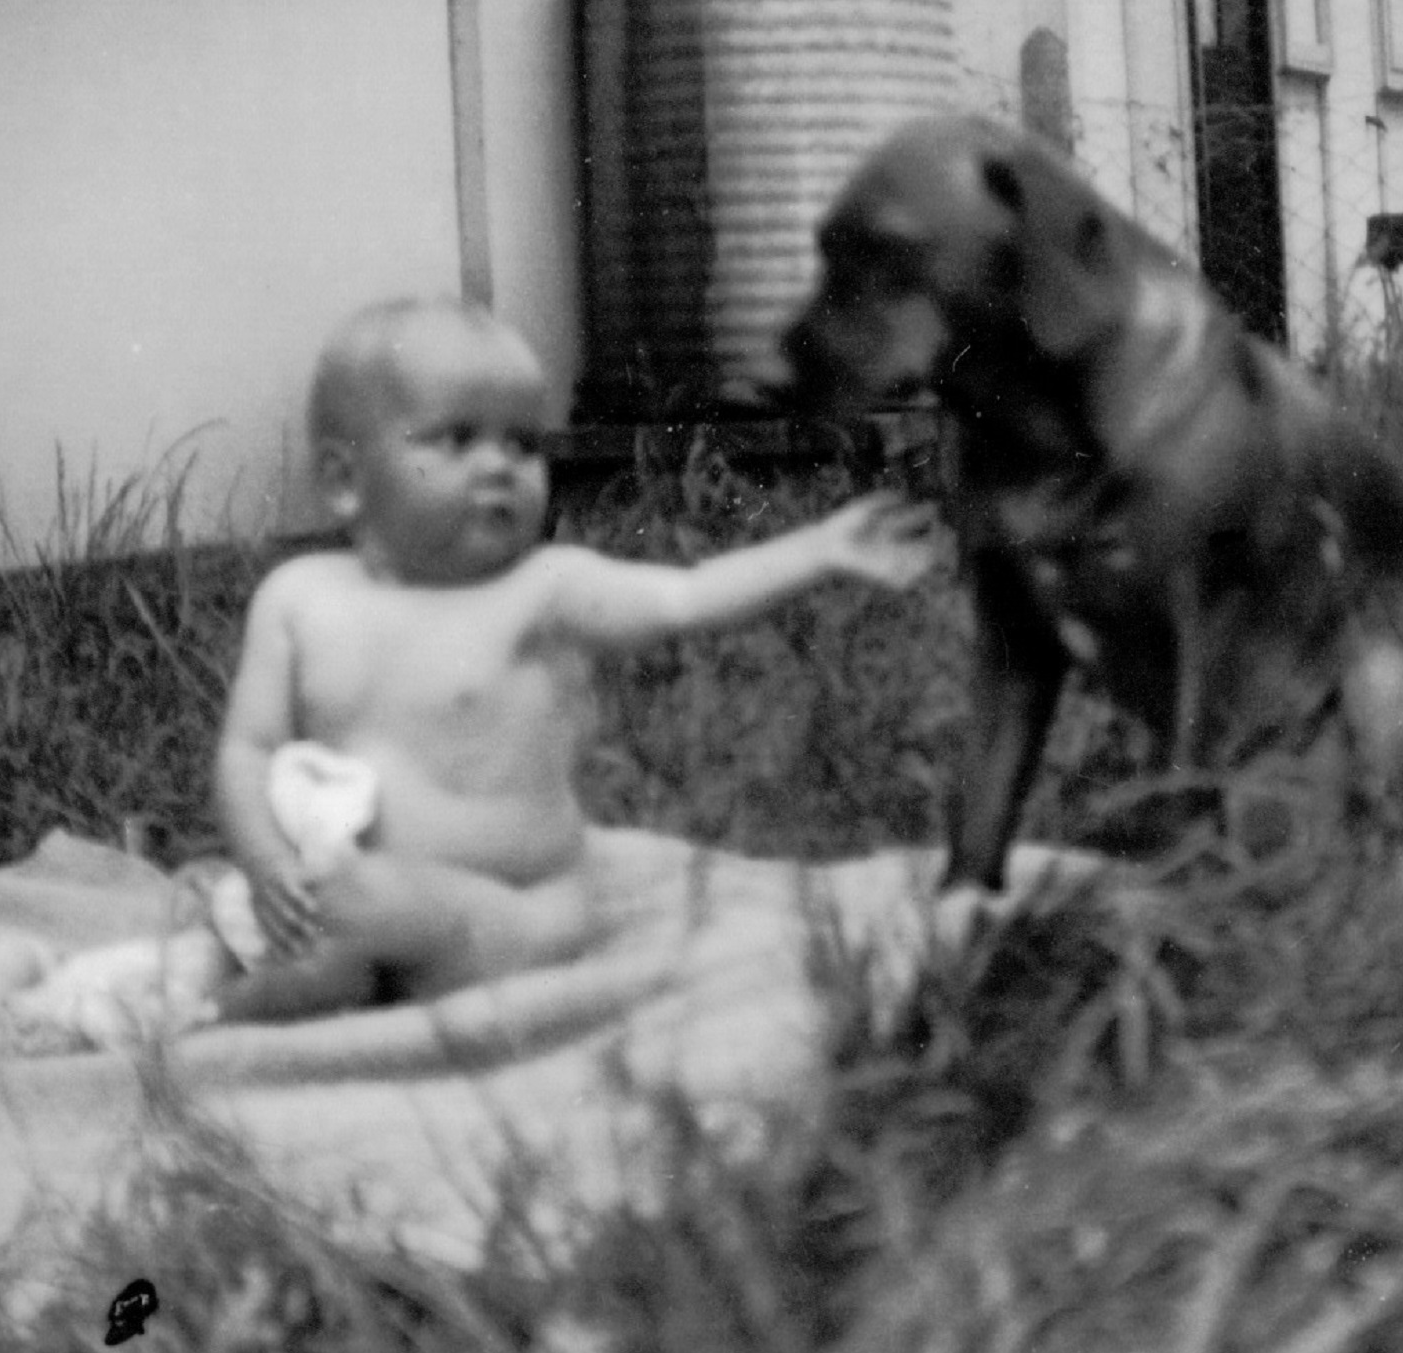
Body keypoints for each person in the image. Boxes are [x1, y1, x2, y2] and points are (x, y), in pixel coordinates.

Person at [208, 296, 940, 1022]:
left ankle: (243, 1005)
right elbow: (249, 749)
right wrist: (268, 860)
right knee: (307, 910)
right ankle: (279, 982)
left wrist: (817, 551)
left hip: (518, 914)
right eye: (458, 440)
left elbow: (683, 597)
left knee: (368, 911)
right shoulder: (297, 599)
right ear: (343, 481)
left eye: (524, 444)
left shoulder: (544, 588)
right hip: (360, 894)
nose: (500, 465)